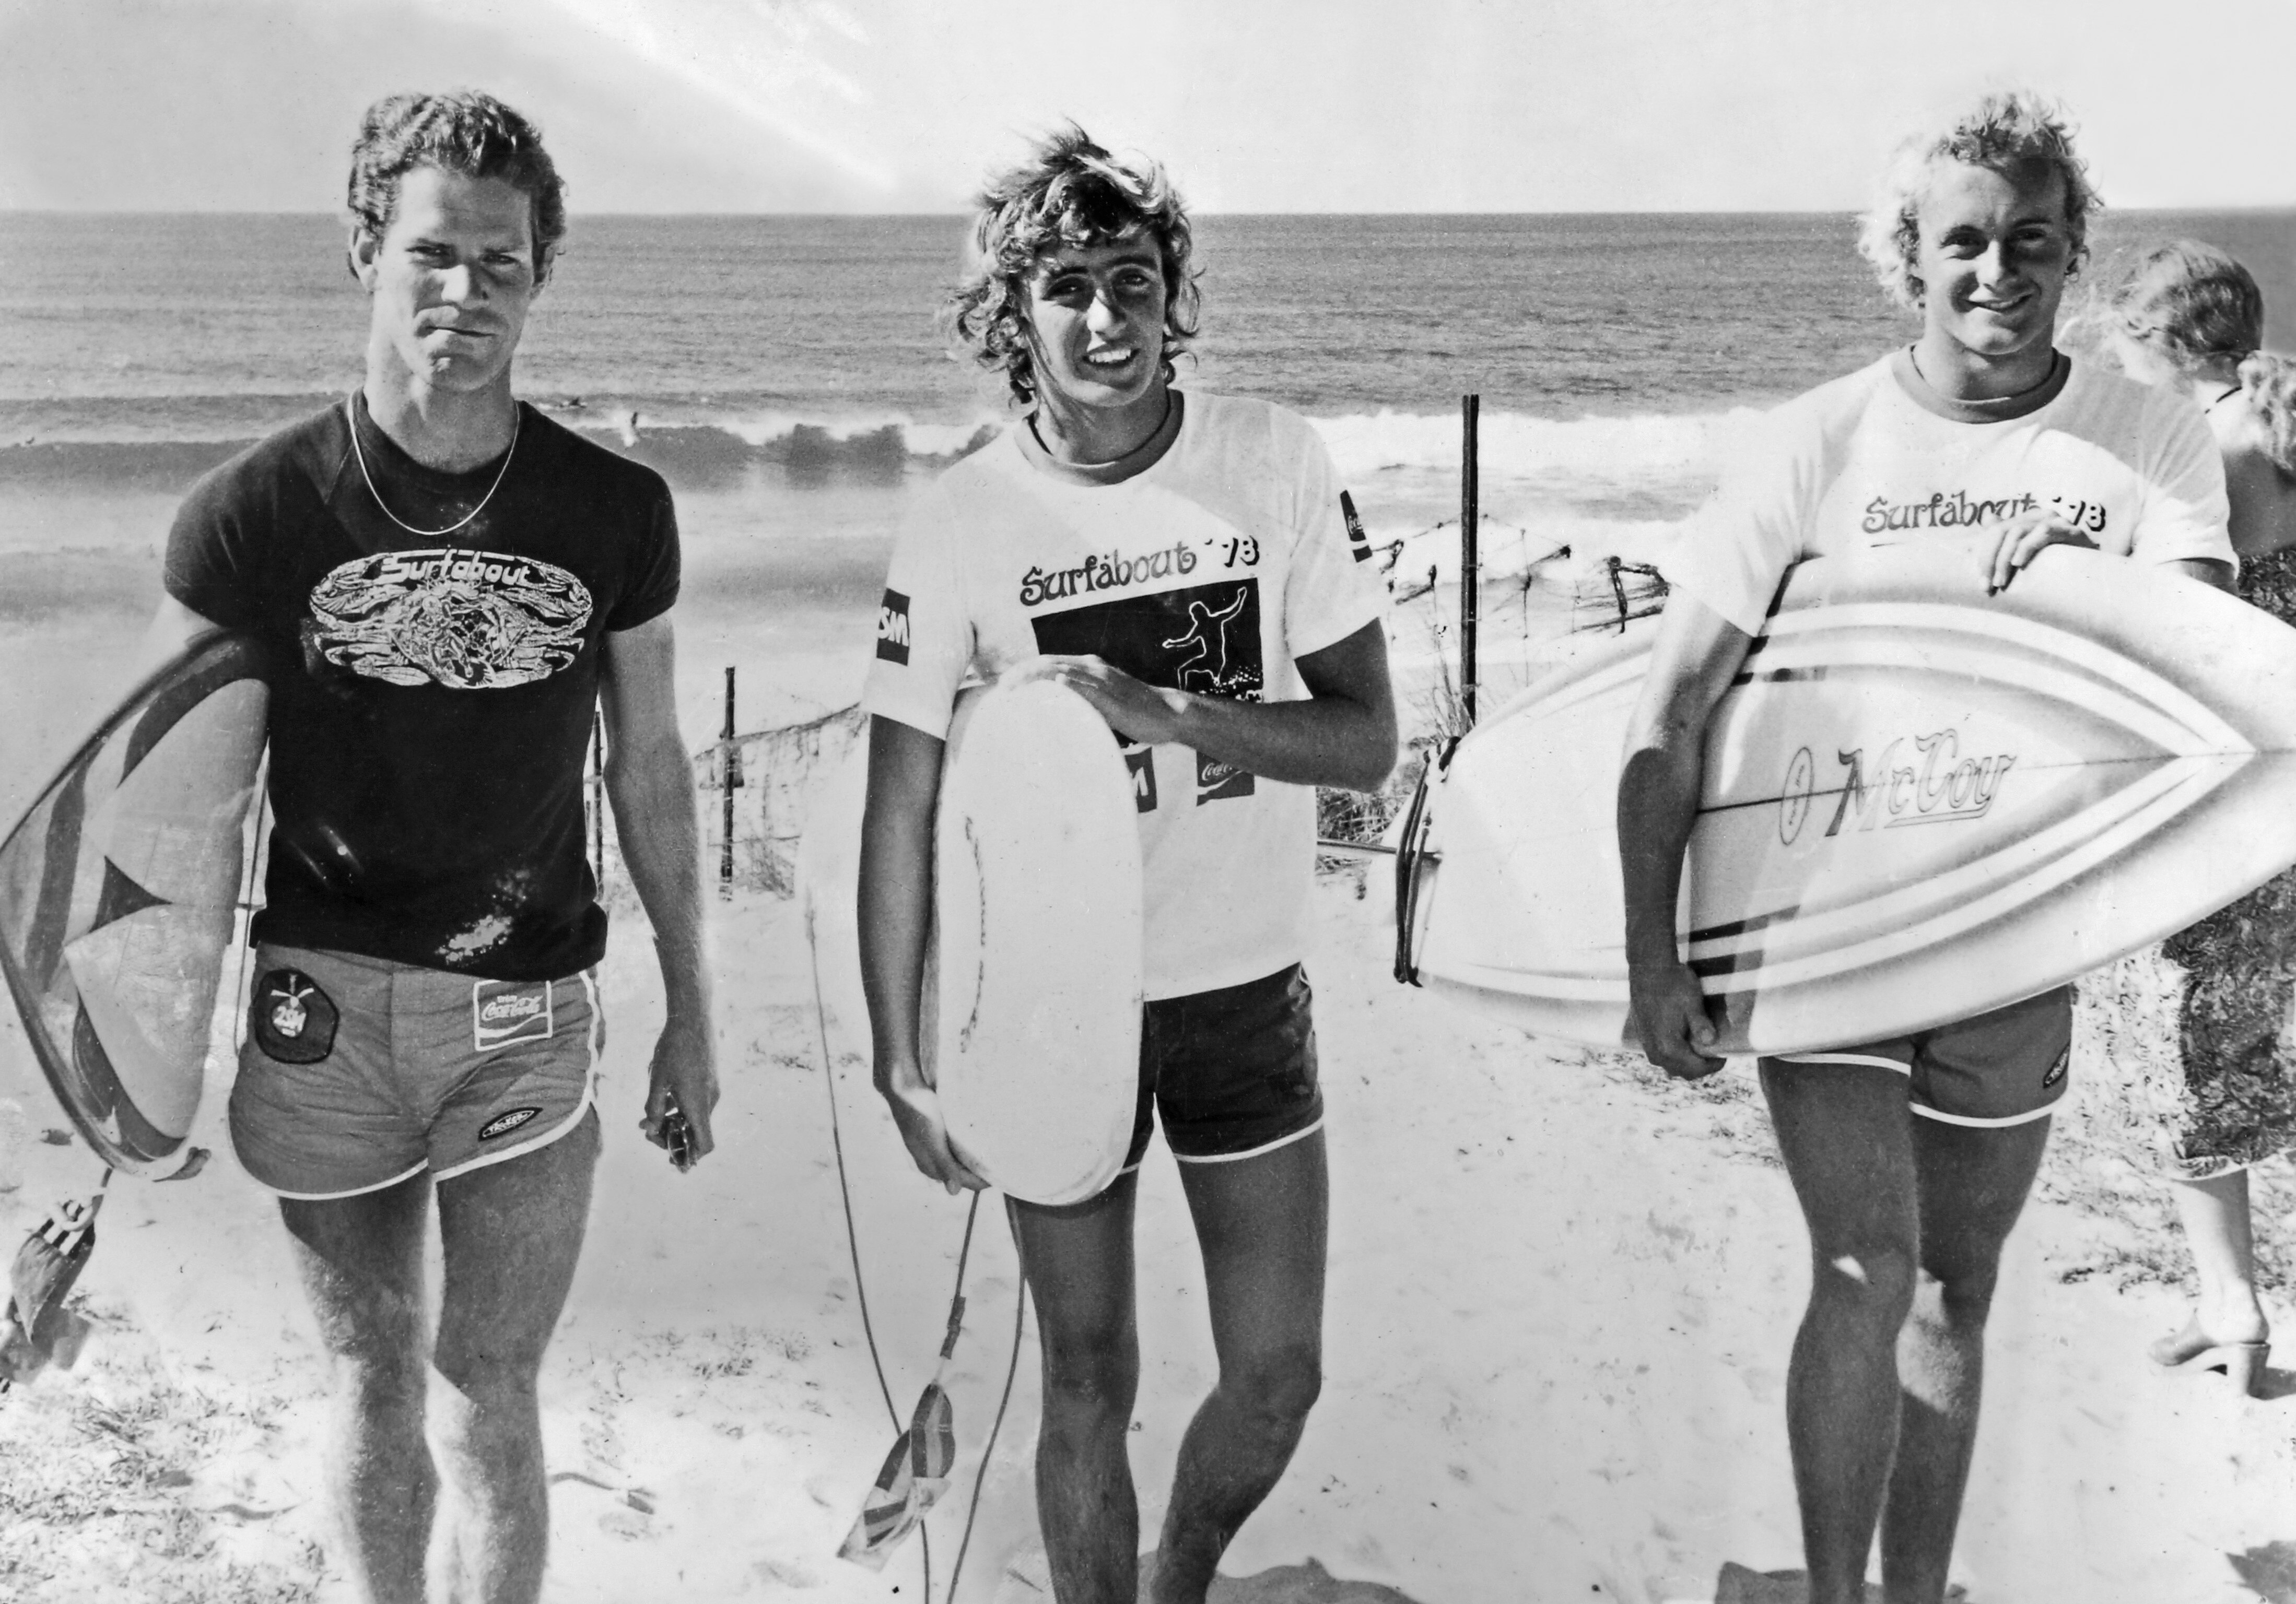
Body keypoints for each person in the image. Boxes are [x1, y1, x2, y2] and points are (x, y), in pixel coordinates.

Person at [1616, 93, 2234, 1604]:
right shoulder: (1815, 440)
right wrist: (1652, 957)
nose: (1995, 272)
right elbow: (1672, 711)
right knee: (1864, 1266)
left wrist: (2094, 590)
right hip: (1823, 920)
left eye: (2030, 239)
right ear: (1907, 256)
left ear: (2074, 251)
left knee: (1957, 1286)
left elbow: (2205, 676)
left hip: (2020, 936)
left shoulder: (2146, 437)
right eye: (1961, 241)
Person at [142, 92, 718, 1604]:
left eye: (500, 262)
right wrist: (137, 1056)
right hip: (319, 1007)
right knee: (373, 1378)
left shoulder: (616, 511)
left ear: (540, 276)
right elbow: (168, 804)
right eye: (432, 253)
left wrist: (692, 1011)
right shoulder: (247, 515)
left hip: (526, 1001)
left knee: (489, 1385)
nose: (466, 290)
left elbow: (651, 766)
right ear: (364, 253)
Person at [855, 128, 1396, 1604]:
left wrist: (1172, 713)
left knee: (1276, 1377)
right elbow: (901, 802)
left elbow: (1364, 742)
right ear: (1012, 318)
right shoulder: (963, 519)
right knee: (1086, 1377)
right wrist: (900, 1056)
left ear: (1173, 296)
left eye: (1134, 281)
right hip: (1052, 1004)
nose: (1107, 319)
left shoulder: (1271, 460)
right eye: (1069, 288)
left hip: (1240, 987)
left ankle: (1180, 1577)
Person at [2094, 241, 2296, 1394]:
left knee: (2187, 1047)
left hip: (2233, 795)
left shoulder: (2202, 452)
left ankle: (2232, 1305)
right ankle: (2220, 1300)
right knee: (2257, 1039)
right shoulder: (2283, 420)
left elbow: (2174, 632)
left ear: (2162, 344)